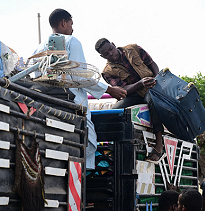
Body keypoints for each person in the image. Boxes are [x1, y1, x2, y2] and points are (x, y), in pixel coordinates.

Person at [33, 9, 127, 169]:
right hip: (74, 108)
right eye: (71, 24)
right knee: (85, 148)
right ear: (64, 23)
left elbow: (37, 77)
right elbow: (81, 76)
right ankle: (81, 187)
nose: (72, 28)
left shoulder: (38, 49)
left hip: (48, 110)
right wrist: (110, 90)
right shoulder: (71, 41)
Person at [95, 38, 164, 161]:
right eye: (106, 54)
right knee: (114, 111)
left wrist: (158, 80)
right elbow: (122, 90)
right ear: (102, 56)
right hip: (133, 94)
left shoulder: (134, 48)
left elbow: (151, 63)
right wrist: (140, 84)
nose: (111, 54)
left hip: (152, 89)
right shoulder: (106, 72)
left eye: (111, 49)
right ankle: (109, 147)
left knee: (153, 100)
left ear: (113, 44)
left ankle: (159, 145)